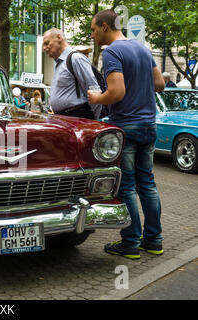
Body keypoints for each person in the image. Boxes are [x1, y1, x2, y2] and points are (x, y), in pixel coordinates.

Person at [88, 9, 165, 259]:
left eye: (93, 29)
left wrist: (96, 97)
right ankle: (154, 240)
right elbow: (160, 84)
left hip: (127, 127)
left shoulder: (112, 52)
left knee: (127, 186)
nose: (92, 35)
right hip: (148, 126)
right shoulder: (142, 49)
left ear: (105, 27)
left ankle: (130, 242)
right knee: (148, 185)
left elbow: (116, 92)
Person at [42, 28, 101, 120]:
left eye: (47, 43)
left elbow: (94, 89)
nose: (44, 48)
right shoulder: (60, 63)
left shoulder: (76, 58)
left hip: (77, 117)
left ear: (59, 37)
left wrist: (93, 120)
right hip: (65, 118)